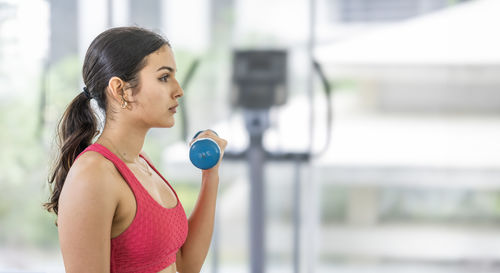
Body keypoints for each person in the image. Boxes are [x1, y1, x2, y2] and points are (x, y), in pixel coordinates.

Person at [44, 26, 227, 273]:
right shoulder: (93, 176)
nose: (178, 90)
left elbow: (184, 265)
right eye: (164, 77)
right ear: (121, 90)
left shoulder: (141, 162)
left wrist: (210, 175)